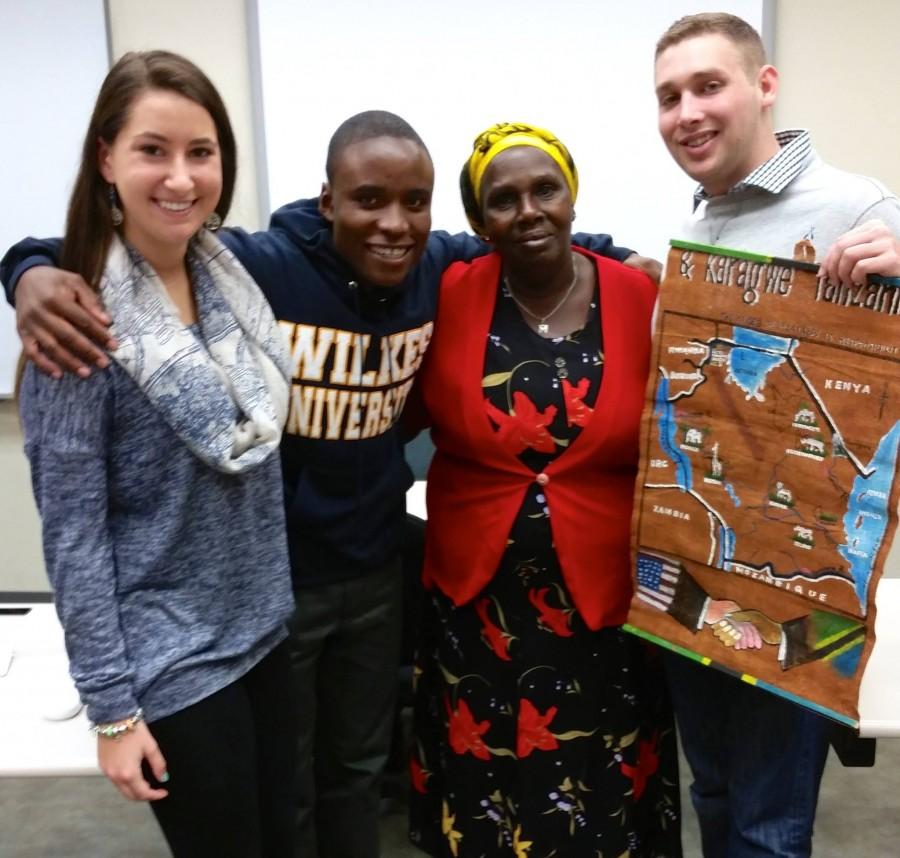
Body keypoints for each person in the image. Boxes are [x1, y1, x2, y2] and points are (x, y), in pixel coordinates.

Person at [1, 110, 651, 857]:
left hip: (375, 571)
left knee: (357, 771)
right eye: (368, 198)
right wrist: (28, 269)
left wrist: (630, 253)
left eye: (414, 201)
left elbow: (536, 233)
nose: (393, 223)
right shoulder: (266, 265)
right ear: (327, 200)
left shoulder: (434, 263)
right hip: (279, 580)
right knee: (286, 786)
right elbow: (129, 247)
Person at [16, 51, 296, 857]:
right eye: (152, 150)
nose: (180, 178)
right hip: (174, 664)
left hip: (266, 633)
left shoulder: (231, 282)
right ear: (106, 158)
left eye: (200, 152)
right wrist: (111, 711)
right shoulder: (77, 326)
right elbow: (74, 539)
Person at [652, 13, 900, 858]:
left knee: (766, 827)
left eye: (707, 86)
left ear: (765, 87)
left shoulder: (857, 207)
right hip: (696, 573)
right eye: (669, 96)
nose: (686, 111)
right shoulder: (702, 223)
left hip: (795, 582)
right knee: (713, 795)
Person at [406, 122, 681, 858]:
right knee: (487, 797)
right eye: (503, 199)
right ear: (478, 222)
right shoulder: (446, 293)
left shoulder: (641, 295)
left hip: (605, 610)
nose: (528, 210)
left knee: (599, 789)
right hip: (477, 605)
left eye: (544, 190)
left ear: (571, 197)